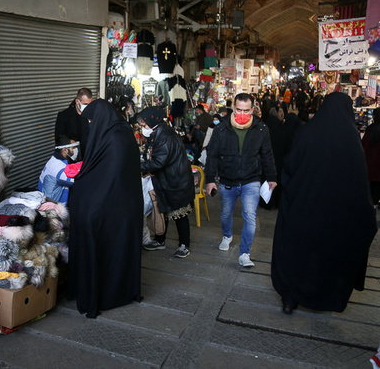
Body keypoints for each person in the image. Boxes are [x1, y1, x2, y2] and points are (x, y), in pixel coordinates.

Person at [271, 92, 378, 314]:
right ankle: (323, 297)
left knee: (297, 248)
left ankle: (290, 297)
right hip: (335, 214)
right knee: (325, 253)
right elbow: (359, 181)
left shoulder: (307, 131)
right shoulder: (351, 139)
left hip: (304, 207)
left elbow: (290, 165)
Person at [67, 99, 143, 318]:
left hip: (117, 207)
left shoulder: (116, 138)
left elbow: (110, 176)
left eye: (91, 119)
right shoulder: (117, 132)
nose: (90, 123)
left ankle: (106, 294)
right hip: (120, 205)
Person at [205, 93, 277, 267]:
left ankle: (245, 252)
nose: (242, 113)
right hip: (228, 179)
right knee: (225, 213)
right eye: (239, 109)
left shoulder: (261, 129)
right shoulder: (221, 128)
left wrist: (271, 177)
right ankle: (227, 235)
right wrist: (209, 179)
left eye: (246, 110)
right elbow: (212, 155)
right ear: (233, 108)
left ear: (252, 110)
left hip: (251, 179)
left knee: (250, 216)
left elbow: (267, 154)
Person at [137, 107, 194, 257]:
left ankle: (184, 245)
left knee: (179, 213)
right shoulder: (156, 133)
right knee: (162, 211)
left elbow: (158, 162)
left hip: (176, 182)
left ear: (152, 121)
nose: (143, 129)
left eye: (144, 125)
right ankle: (160, 240)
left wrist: (136, 166)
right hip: (165, 181)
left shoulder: (166, 136)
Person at [54, 88, 93, 158]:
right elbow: (59, 138)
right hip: (73, 158)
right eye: (85, 104)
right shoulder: (64, 116)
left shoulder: (92, 115)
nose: (88, 107)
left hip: (89, 157)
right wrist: (70, 141)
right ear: (77, 101)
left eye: (90, 104)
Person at [37, 139, 79, 203]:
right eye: (73, 148)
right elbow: (77, 181)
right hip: (53, 208)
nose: (76, 150)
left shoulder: (55, 159)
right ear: (65, 150)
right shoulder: (58, 168)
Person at [362, 107, 380, 209]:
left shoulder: (371, 129)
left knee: (374, 188)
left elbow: (364, 146)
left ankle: (373, 206)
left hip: (373, 164)